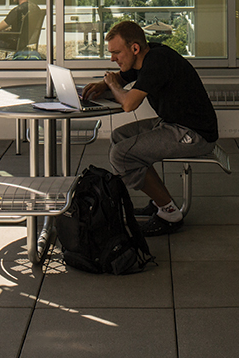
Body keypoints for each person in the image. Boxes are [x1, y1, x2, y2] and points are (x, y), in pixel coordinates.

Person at [81, 20, 219, 237]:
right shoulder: (146, 56)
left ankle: (170, 214)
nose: (112, 58)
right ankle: (159, 201)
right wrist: (102, 84)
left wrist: (113, 86)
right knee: (119, 136)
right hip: (172, 123)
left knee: (121, 155)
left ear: (134, 48)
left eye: (116, 52)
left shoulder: (157, 62)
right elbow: (122, 77)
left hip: (193, 133)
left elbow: (128, 104)